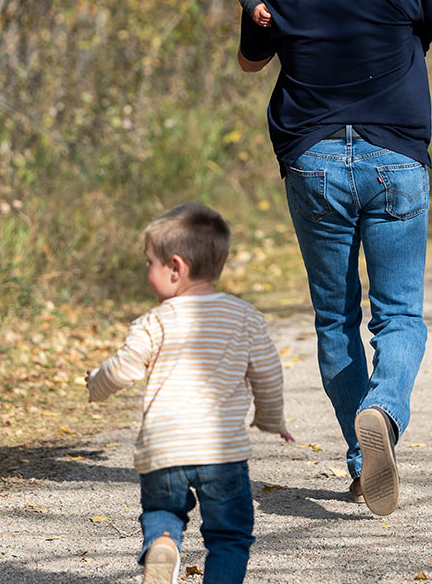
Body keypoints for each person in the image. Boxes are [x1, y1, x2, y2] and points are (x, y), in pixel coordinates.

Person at [237, 0, 432, 517]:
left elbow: (250, 61)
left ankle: (358, 455)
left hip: (313, 160)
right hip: (395, 157)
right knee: (399, 314)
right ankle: (383, 411)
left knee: (335, 317)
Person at [86, 203, 293, 584]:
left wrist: (95, 384)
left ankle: (163, 544)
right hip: (221, 451)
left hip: (163, 449)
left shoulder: (153, 322)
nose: (147, 272)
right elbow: (267, 373)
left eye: (150, 262)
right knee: (229, 536)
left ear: (176, 268)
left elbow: (122, 369)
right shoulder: (244, 316)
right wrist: (270, 419)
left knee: (164, 511)